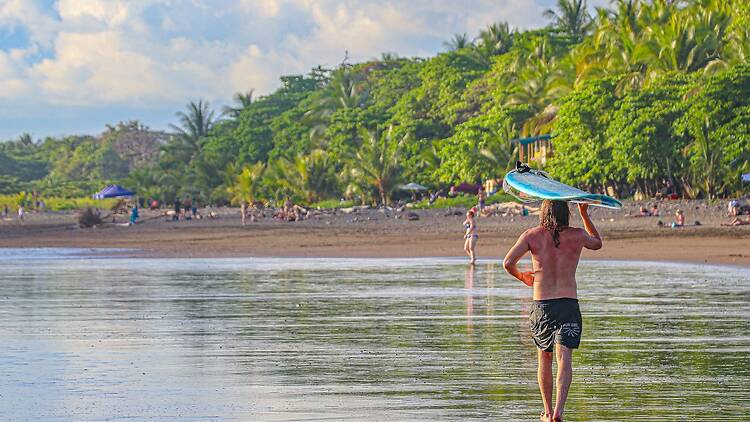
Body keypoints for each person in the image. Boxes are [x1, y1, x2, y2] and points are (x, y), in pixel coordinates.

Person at [502, 200, 602, 422]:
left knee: (544, 359)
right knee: (564, 357)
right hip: (568, 303)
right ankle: (559, 411)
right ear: (566, 213)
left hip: (542, 305)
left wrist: (522, 276)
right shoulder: (577, 235)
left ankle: (547, 412)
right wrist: (584, 214)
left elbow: (508, 262)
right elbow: (597, 243)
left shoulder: (531, 235)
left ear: (544, 213)